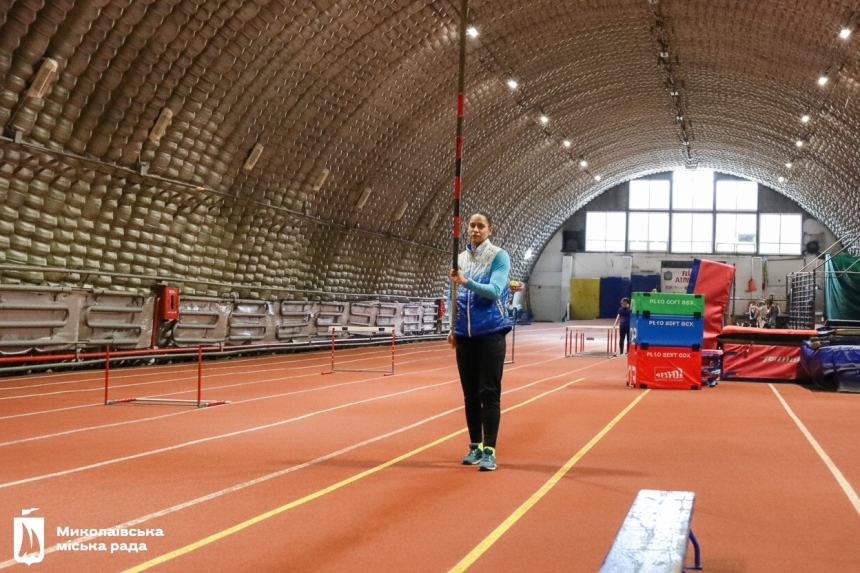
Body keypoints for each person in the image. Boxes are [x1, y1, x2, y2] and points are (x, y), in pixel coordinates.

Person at [448, 213, 512, 472]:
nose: (475, 230)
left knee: (489, 393)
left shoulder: (499, 256)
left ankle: (490, 450)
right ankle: (475, 446)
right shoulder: (460, 259)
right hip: (465, 335)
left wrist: (466, 281)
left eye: (480, 226)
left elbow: (495, 290)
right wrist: (452, 327)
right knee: (470, 394)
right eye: (472, 226)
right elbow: (453, 293)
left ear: (489, 230)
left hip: (491, 333)